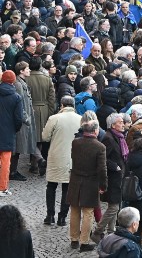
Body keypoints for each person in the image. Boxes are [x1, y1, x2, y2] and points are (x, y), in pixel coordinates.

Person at [66, 117, 107, 252]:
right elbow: (102, 169)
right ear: (95, 131)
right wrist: (103, 185)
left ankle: (74, 239)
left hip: (76, 180)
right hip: (91, 182)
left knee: (75, 210)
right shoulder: (100, 147)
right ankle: (84, 242)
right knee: (88, 212)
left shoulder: (75, 143)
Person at [41, 95, 81, 226]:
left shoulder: (54, 118)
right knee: (67, 188)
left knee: (51, 186)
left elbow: (45, 137)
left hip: (56, 156)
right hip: (73, 157)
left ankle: (50, 215)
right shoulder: (80, 119)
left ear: (62, 105)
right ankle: (62, 217)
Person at [95, 112, 128, 243]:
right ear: (113, 125)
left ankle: (111, 232)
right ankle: (98, 231)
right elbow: (103, 158)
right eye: (120, 122)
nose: (123, 124)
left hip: (119, 177)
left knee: (116, 205)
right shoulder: (108, 138)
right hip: (113, 177)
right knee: (114, 207)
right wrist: (115, 166)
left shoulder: (119, 137)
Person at [0, 70, 23, 197]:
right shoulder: (16, 97)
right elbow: (18, 118)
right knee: (5, 162)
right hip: (8, 131)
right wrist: (15, 129)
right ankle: (2, 187)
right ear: (13, 81)